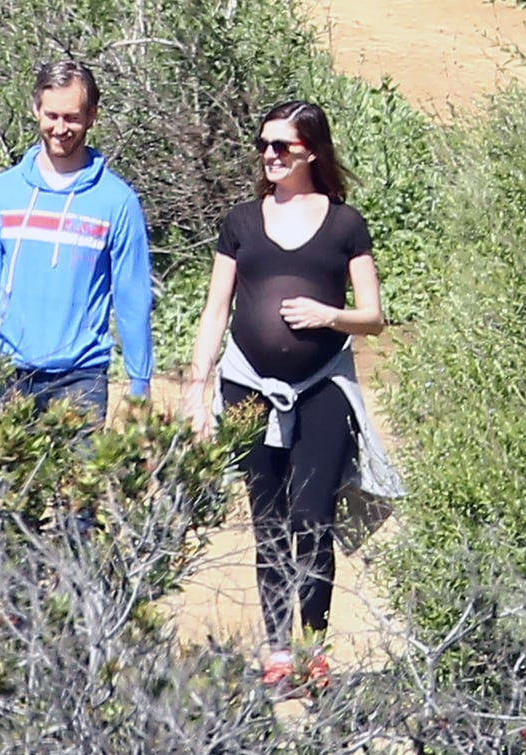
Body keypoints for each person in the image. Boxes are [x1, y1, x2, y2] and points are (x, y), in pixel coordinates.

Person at [181, 101, 405, 692]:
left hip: (323, 386)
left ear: (312, 150)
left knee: (312, 518)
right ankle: (276, 651)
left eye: (282, 146)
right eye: (264, 145)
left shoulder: (345, 224)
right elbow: (215, 309)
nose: (270, 156)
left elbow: (374, 316)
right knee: (269, 520)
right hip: (247, 385)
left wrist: (329, 315)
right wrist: (197, 390)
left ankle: (312, 652)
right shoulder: (241, 222)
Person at [0, 60, 153, 422]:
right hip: (8, 375)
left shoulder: (117, 201)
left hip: (81, 379)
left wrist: (140, 384)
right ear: (36, 110)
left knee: (79, 481)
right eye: (52, 116)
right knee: (9, 480)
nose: (61, 128)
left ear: (92, 116)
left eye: (72, 117)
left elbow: (131, 297)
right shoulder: (1, 193)